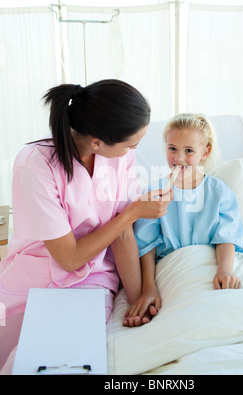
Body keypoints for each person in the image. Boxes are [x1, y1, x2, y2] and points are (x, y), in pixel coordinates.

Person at [0, 79, 173, 372]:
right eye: (131, 143)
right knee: (16, 359)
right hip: (35, 274)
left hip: (91, 277)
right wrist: (131, 212)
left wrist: (138, 298)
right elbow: (68, 258)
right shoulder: (35, 166)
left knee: (63, 359)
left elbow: (121, 233)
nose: (134, 149)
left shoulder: (119, 158)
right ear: (97, 143)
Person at [124, 113, 243, 326]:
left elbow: (226, 236)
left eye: (189, 151)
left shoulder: (220, 193)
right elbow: (146, 245)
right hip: (173, 269)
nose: (178, 158)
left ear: (205, 151)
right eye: (172, 148)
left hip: (207, 266)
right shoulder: (155, 192)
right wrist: (148, 288)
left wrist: (225, 270)